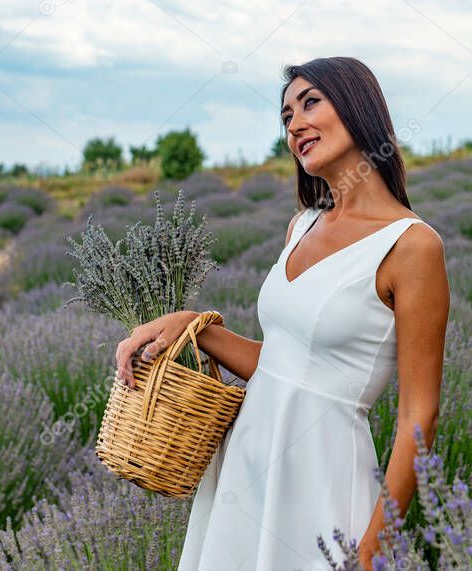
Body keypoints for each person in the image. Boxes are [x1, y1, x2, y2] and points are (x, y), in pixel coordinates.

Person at [114, 56, 449, 570]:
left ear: (359, 107)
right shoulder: (303, 226)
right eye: (286, 116)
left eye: (310, 102)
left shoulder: (412, 246)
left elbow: (417, 417)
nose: (295, 124)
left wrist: (375, 548)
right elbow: (285, 366)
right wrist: (193, 326)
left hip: (322, 481)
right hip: (245, 468)